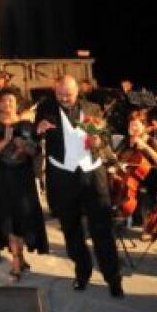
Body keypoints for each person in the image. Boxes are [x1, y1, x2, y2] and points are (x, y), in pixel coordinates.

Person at [34, 75, 123, 296]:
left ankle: (113, 278)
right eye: (60, 94)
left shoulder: (93, 108)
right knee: (71, 229)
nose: (64, 98)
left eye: (69, 94)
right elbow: (34, 138)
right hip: (63, 175)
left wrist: (98, 141)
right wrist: (38, 131)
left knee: (102, 227)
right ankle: (82, 272)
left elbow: (105, 136)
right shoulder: (46, 108)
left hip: (92, 173)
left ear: (77, 92)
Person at [0, 89, 48, 282]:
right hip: (4, 176)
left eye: (11, 101)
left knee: (23, 217)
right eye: (4, 101)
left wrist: (25, 146)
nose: (7, 104)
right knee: (9, 218)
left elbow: (36, 150)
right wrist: (6, 140)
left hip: (24, 177)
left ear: (17, 103)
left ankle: (20, 256)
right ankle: (15, 259)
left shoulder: (26, 124)